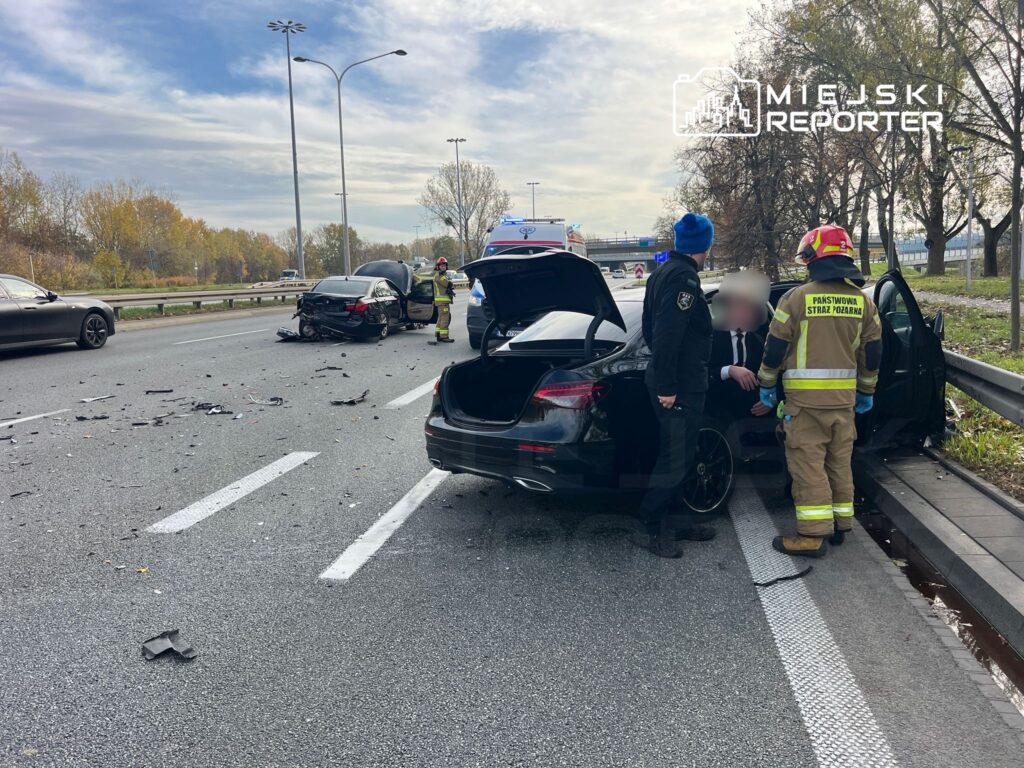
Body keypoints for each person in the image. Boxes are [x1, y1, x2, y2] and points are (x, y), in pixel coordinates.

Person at [756, 224, 882, 558]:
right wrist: (866, 391)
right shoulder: (864, 303)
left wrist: (766, 384)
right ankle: (840, 525)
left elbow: (775, 347)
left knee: (808, 466)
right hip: (844, 403)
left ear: (813, 258)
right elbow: (872, 354)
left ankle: (812, 536)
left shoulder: (796, 298)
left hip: (805, 404)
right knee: (839, 463)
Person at [638, 212, 717, 558]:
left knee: (682, 455)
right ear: (705, 245)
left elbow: (648, 326)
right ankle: (652, 526)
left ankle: (679, 519)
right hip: (679, 386)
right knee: (674, 458)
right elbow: (667, 336)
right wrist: (667, 385)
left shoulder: (661, 272)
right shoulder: (684, 278)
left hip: (674, 381)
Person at [708, 271, 772, 422]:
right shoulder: (710, 338)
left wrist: (769, 399)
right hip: (716, 414)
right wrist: (729, 370)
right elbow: (699, 374)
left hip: (752, 416)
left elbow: (771, 374)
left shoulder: (758, 342)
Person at [432, 257, 455, 343]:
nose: (443, 267)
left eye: (444, 266)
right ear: (438, 267)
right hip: (443, 302)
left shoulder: (441, 276)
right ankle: (444, 336)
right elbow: (448, 284)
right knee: (445, 318)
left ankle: (438, 334)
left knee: (441, 318)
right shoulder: (440, 276)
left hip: (441, 302)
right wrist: (450, 283)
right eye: (441, 266)